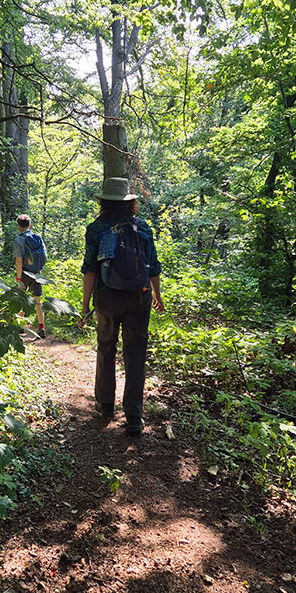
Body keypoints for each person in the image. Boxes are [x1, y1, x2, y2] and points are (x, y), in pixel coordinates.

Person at [80, 177, 164, 435]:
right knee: (136, 354)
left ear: (104, 201)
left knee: (106, 348)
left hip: (107, 297)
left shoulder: (96, 228)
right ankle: (135, 416)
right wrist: (157, 295)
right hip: (139, 297)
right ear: (131, 203)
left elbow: (90, 270)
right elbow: (154, 266)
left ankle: (105, 405)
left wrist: (85, 306)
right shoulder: (144, 228)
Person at [13, 214, 48, 338]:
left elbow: (19, 261)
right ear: (29, 225)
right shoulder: (37, 238)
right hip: (37, 274)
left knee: (21, 300)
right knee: (38, 301)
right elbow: (45, 256)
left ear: (18, 226)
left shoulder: (19, 240)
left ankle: (20, 326)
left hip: (24, 274)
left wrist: (18, 279)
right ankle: (41, 327)